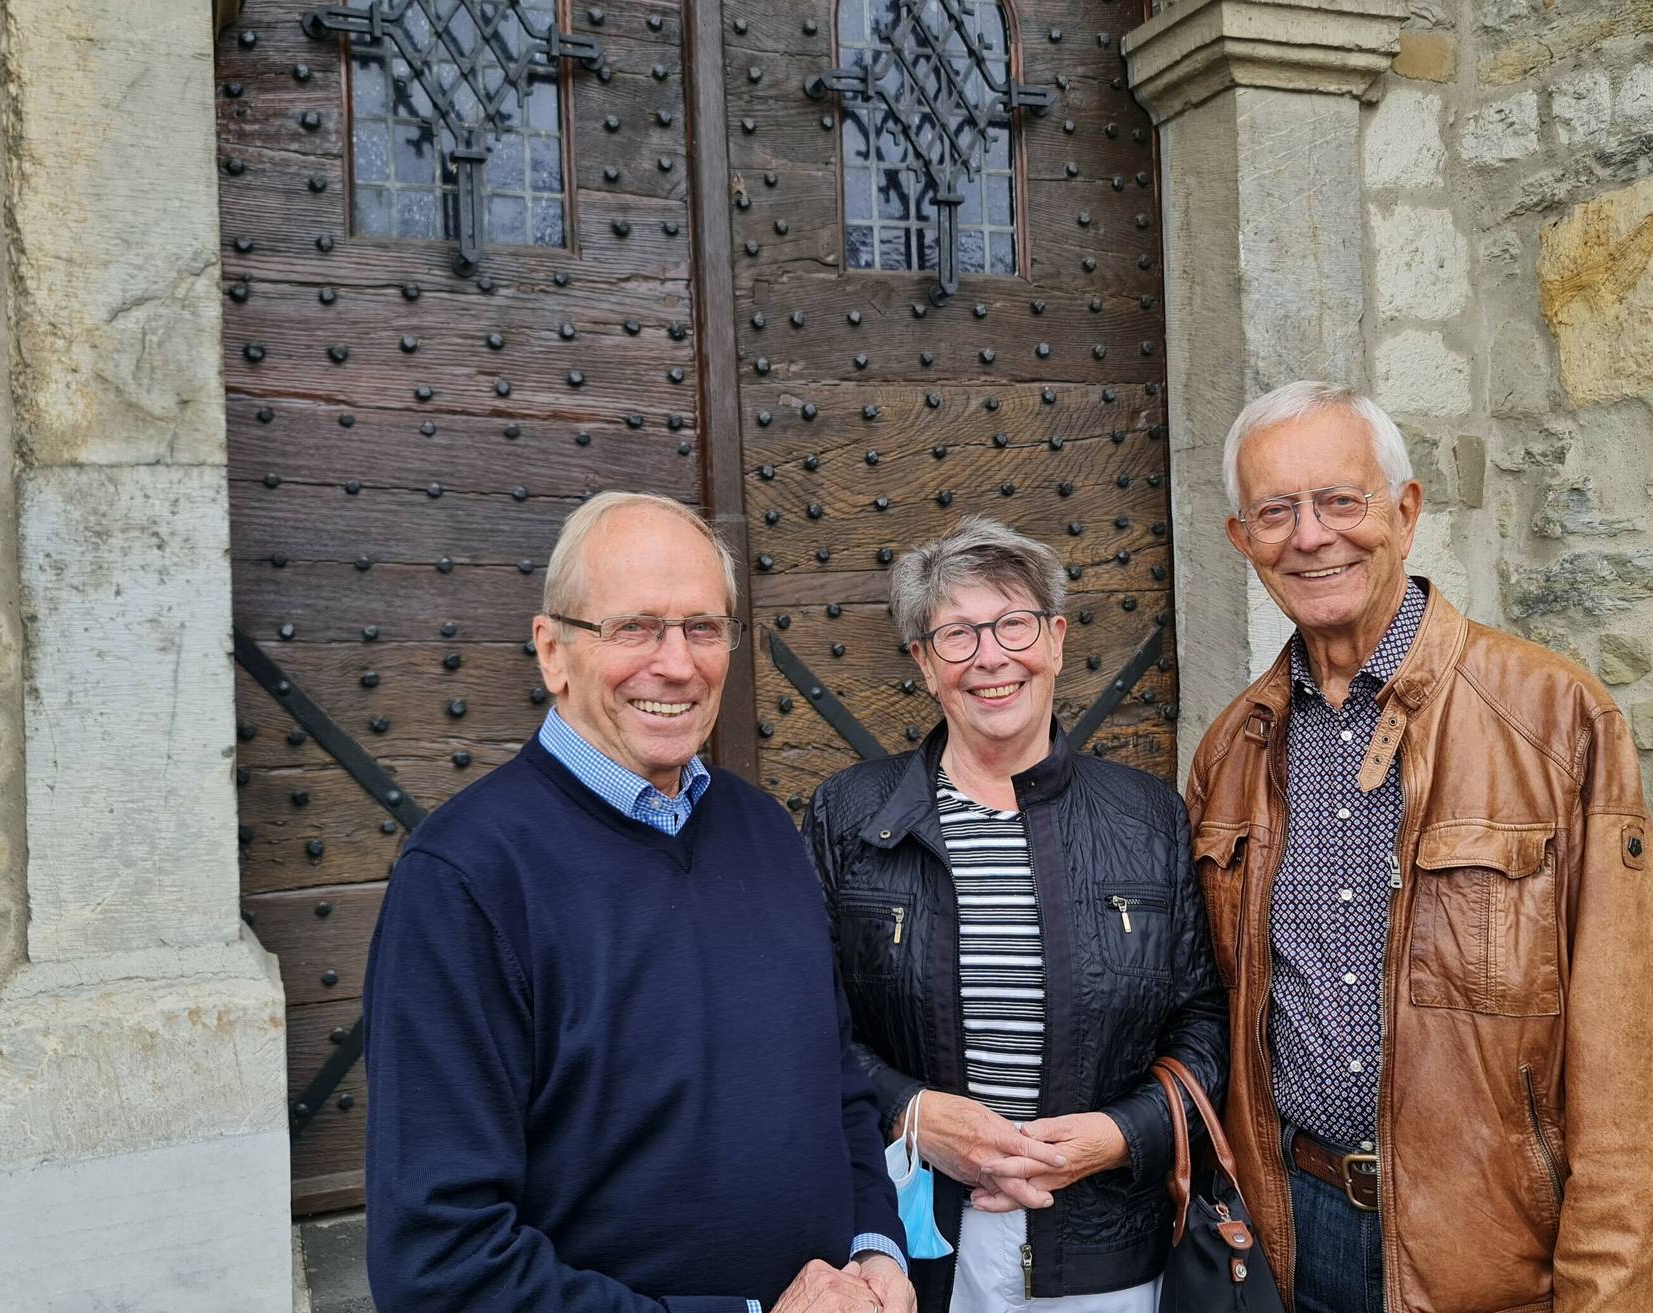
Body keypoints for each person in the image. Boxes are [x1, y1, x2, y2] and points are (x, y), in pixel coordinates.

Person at [1186, 381, 1653, 1313]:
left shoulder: (1553, 717)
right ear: (1241, 540)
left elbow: (1634, 1084)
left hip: (1496, 1251)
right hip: (1296, 1238)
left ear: (1406, 511)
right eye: (1276, 511)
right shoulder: (1229, 753)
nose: (1312, 535)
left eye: (1343, 499)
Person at [362, 491, 916, 1313]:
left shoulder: (761, 827)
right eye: (634, 627)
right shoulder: (465, 878)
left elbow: (833, 1082)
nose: (677, 662)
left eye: (702, 626)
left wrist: (878, 1250)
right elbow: (440, 1260)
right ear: (553, 651)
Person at [805, 517, 1228, 1313]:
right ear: (925, 664)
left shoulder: (1146, 817)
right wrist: (913, 1113)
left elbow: (1203, 1021)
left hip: (1106, 1253)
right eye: (957, 634)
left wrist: (1120, 1135)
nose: (991, 656)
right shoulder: (850, 814)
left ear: (1058, 640)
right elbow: (808, 1026)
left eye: (1013, 624)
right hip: (911, 1248)